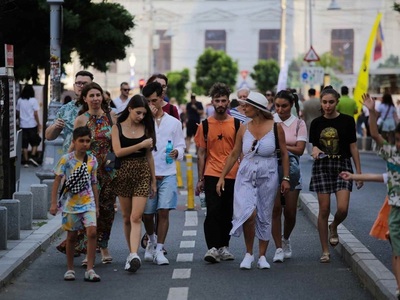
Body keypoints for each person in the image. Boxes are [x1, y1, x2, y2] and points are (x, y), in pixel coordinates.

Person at [216, 91, 290, 269]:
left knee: (265, 214)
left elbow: (285, 154)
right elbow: (235, 153)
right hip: (246, 173)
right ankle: (249, 253)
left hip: (268, 173)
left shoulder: (275, 127)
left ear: (257, 109)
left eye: (246, 105)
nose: (243, 108)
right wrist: (222, 177)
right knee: (249, 214)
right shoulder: (243, 127)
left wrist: (285, 178)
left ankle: (262, 256)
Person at [309, 85, 363, 263]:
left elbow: (353, 147)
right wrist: (315, 150)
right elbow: (314, 145)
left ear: (337, 102)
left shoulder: (347, 121)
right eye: (324, 102)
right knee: (324, 209)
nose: (327, 105)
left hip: (342, 166)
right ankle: (325, 250)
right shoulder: (317, 123)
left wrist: (359, 173)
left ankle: (334, 226)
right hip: (322, 167)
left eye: (331, 102)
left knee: (342, 208)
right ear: (321, 102)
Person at [355, 93, 400, 297]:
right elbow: (374, 134)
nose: (398, 144)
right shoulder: (392, 154)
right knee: (398, 251)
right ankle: (399, 288)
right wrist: (371, 111)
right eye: (397, 140)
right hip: (396, 208)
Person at [73, 82, 117, 265]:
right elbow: (75, 145)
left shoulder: (111, 116)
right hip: (87, 171)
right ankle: (87, 252)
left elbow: (117, 144)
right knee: (88, 210)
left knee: (107, 211)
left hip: (108, 171)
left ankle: (104, 246)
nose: (96, 99)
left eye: (98, 95)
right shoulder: (81, 119)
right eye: (91, 95)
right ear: (85, 98)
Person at [141, 82, 185, 265]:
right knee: (147, 214)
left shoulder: (174, 122)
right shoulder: (142, 121)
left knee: (164, 211)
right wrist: (146, 120)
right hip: (147, 174)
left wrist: (177, 152)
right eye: (148, 101)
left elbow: (180, 144)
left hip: (167, 173)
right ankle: (151, 240)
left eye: (154, 100)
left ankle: (160, 249)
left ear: (161, 98)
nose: (151, 104)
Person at [111, 94, 157, 273]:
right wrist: (141, 145)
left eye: (144, 114)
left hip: (142, 172)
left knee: (136, 217)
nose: (141, 117)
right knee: (126, 217)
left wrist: (153, 180)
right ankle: (131, 253)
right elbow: (118, 152)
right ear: (129, 109)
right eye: (138, 113)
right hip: (123, 173)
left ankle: (133, 254)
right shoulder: (117, 128)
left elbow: (149, 156)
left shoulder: (146, 127)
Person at [194, 83, 238, 264]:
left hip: (232, 174)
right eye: (217, 100)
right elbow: (201, 154)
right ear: (212, 102)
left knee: (228, 212)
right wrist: (200, 178)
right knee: (213, 210)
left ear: (228, 102)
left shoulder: (236, 124)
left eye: (223, 100)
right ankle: (212, 247)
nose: (220, 103)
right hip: (212, 172)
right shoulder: (204, 125)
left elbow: (239, 152)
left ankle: (224, 247)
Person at [49, 126, 100, 282]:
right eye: (81, 141)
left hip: (88, 203)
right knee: (71, 237)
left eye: (87, 141)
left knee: (92, 232)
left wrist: (96, 206)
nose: (85, 144)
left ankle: (90, 269)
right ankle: (70, 269)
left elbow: (94, 183)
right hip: (71, 204)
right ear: (74, 142)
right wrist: (53, 204)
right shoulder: (66, 159)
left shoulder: (92, 160)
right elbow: (57, 180)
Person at [271, 90, 307, 262]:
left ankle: (286, 238)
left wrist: (282, 146)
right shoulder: (270, 120)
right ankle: (278, 247)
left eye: (284, 106)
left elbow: (300, 149)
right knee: (275, 209)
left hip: (292, 170)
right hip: (271, 168)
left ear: (291, 105)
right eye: (277, 105)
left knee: (291, 212)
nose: (280, 109)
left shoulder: (299, 123)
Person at [45, 70, 94, 154]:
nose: (81, 86)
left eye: (85, 84)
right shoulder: (66, 109)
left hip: (94, 160)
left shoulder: (99, 108)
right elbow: (49, 136)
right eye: (78, 83)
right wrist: (55, 126)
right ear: (74, 86)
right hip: (71, 160)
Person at [16, 84, 42, 167]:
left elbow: (18, 112)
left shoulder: (20, 100)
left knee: (24, 144)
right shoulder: (33, 100)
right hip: (32, 124)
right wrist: (39, 124)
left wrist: (19, 122)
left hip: (23, 125)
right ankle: (33, 156)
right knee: (36, 141)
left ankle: (26, 162)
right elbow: (35, 114)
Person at [302, 88, 321, 155]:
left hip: (309, 122)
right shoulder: (320, 102)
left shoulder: (305, 103)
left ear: (308, 93)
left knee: (309, 137)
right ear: (315, 93)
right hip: (319, 122)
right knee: (318, 136)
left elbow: (303, 114)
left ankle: (311, 152)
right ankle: (318, 150)